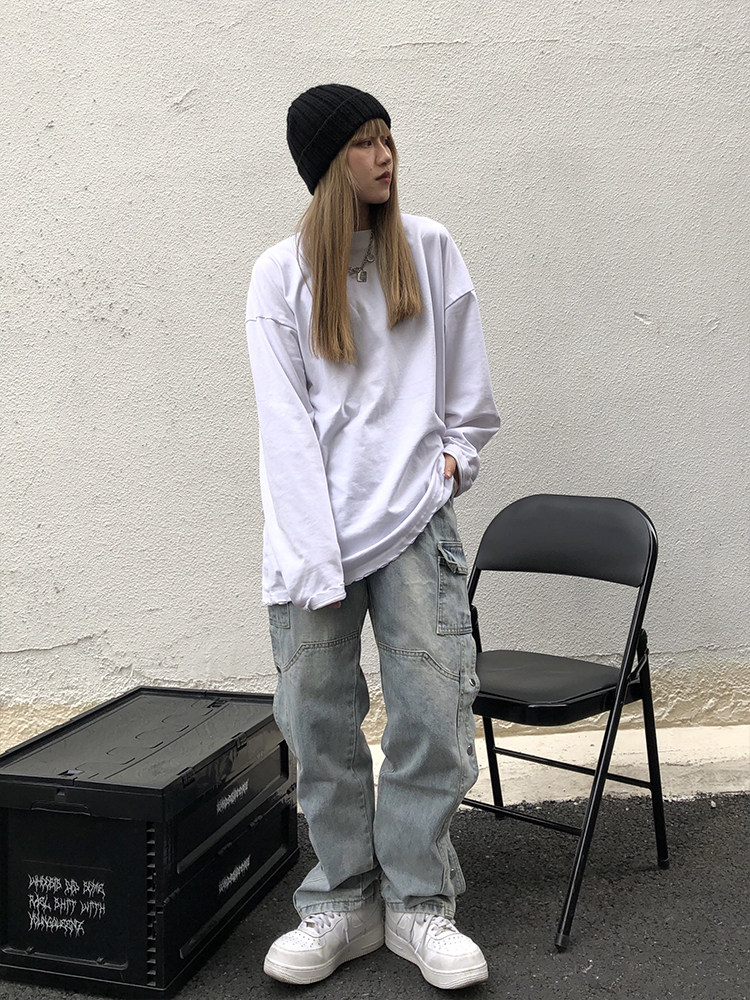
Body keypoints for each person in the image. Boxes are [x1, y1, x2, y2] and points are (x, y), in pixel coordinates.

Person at [245, 83, 501, 990]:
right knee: (317, 722)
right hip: (313, 532)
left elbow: (470, 402)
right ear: (326, 165)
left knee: (432, 715)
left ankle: (420, 903)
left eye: (387, 137)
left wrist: (450, 468)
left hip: (413, 523)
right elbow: (284, 428)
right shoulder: (280, 275)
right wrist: (309, 556)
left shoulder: (427, 250)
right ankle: (343, 901)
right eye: (361, 142)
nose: (383, 155)